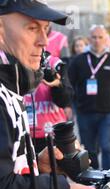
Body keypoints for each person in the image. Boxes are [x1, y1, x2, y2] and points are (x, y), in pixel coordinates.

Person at [0, 0, 96, 189]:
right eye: (32, 28)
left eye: (45, 29)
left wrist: (36, 163)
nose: (44, 40)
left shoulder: (12, 87)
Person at [68, 25, 110, 170]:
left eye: (100, 37)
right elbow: (68, 86)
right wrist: (69, 106)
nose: (97, 40)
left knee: (107, 147)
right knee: (89, 150)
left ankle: (109, 183)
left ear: (106, 39)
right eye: (94, 37)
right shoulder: (78, 61)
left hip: (108, 113)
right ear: (89, 39)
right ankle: (93, 182)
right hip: (85, 113)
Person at [24, 24, 74, 153]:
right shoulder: (12, 62)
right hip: (24, 135)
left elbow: (65, 99)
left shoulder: (55, 63)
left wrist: (57, 86)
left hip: (53, 132)